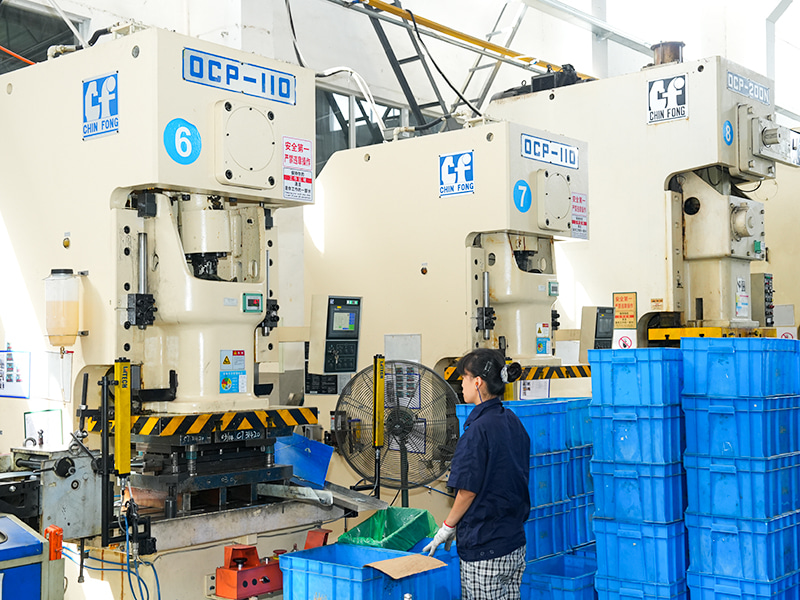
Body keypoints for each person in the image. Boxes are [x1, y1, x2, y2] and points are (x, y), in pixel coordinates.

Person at [423, 348, 530, 600]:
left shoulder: (477, 431)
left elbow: (467, 491)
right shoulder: (512, 420)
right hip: (513, 543)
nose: (462, 384)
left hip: (485, 550)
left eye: (464, 377)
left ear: (478, 382)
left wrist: (447, 527)